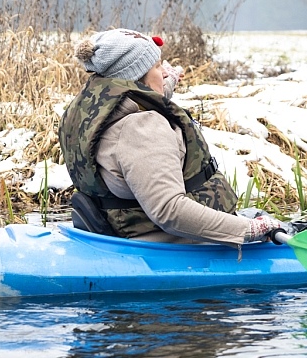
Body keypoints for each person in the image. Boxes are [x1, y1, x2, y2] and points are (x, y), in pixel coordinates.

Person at [59, 28, 281, 245]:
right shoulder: (141, 129)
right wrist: (247, 230)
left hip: (126, 228)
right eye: (157, 67)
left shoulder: (95, 109)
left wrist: (165, 84)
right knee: (267, 222)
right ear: (136, 78)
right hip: (169, 242)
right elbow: (169, 210)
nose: (164, 72)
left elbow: (138, 95)